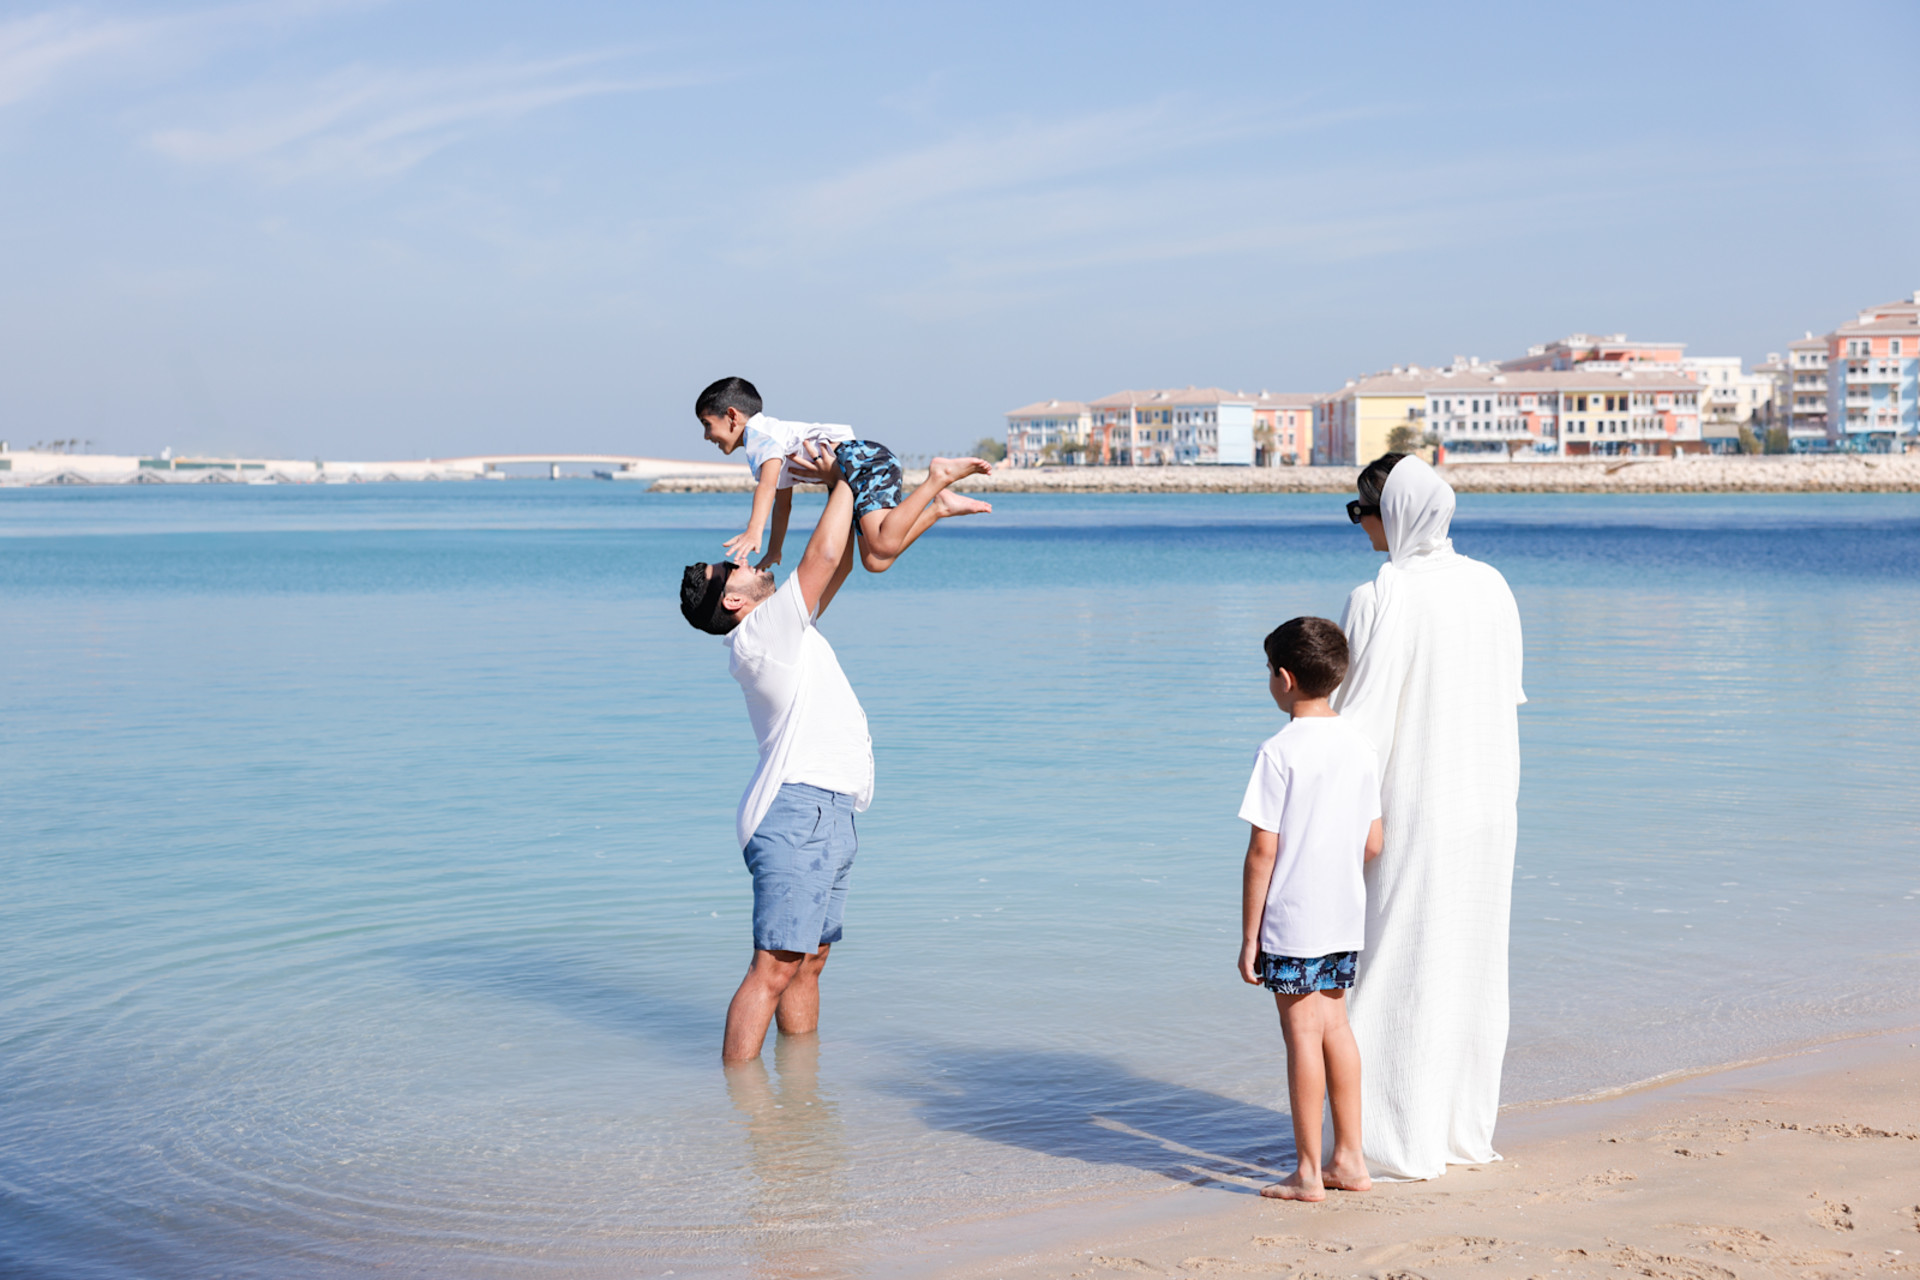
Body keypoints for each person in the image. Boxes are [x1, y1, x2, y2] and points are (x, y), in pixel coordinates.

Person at [1331, 452, 1526, 1181]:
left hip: (1411, 801)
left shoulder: (1384, 591)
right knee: (1468, 962)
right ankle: (1452, 1128)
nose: (1362, 526)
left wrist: (1340, 819)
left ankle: (1388, 1139)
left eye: (1363, 511)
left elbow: (1359, 722)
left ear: (1397, 513)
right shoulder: (1492, 584)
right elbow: (1505, 696)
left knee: (1394, 962)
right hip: (1487, 799)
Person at [677, 449, 897, 1063]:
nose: (748, 559)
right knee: (774, 967)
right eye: (735, 567)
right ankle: (744, 1109)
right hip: (797, 810)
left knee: (809, 964)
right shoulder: (760, 634)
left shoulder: (779, 631)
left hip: (828, 810)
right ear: (731, 602)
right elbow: (820, 557)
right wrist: (846, 479)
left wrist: (843, 495)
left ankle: (801, 1097)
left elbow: (838, 563)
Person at [1238, 617, 1384, 1202]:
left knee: (1301, 1036)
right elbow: (1374, 843)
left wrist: (1250, 938)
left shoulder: (1278, 751)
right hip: (1344, 913)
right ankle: (1349, 1158)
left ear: (1285, 678)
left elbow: (1261, 853)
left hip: (1293, 921)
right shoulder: (1360, 745)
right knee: (1335, 1028)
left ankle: (1306, 1172)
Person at [695, 376, 993, 573]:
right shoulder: (772, 440)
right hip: (852, 471)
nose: (707, 436)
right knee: (875, 562)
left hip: (862, 461)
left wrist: (753, 530)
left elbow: (768, 487)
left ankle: (937, 478)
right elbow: (782, 502)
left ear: (733, 416)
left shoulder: (759, 435)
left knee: (883, 544)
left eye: (707, 424)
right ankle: (940, 507)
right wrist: (775, 550)